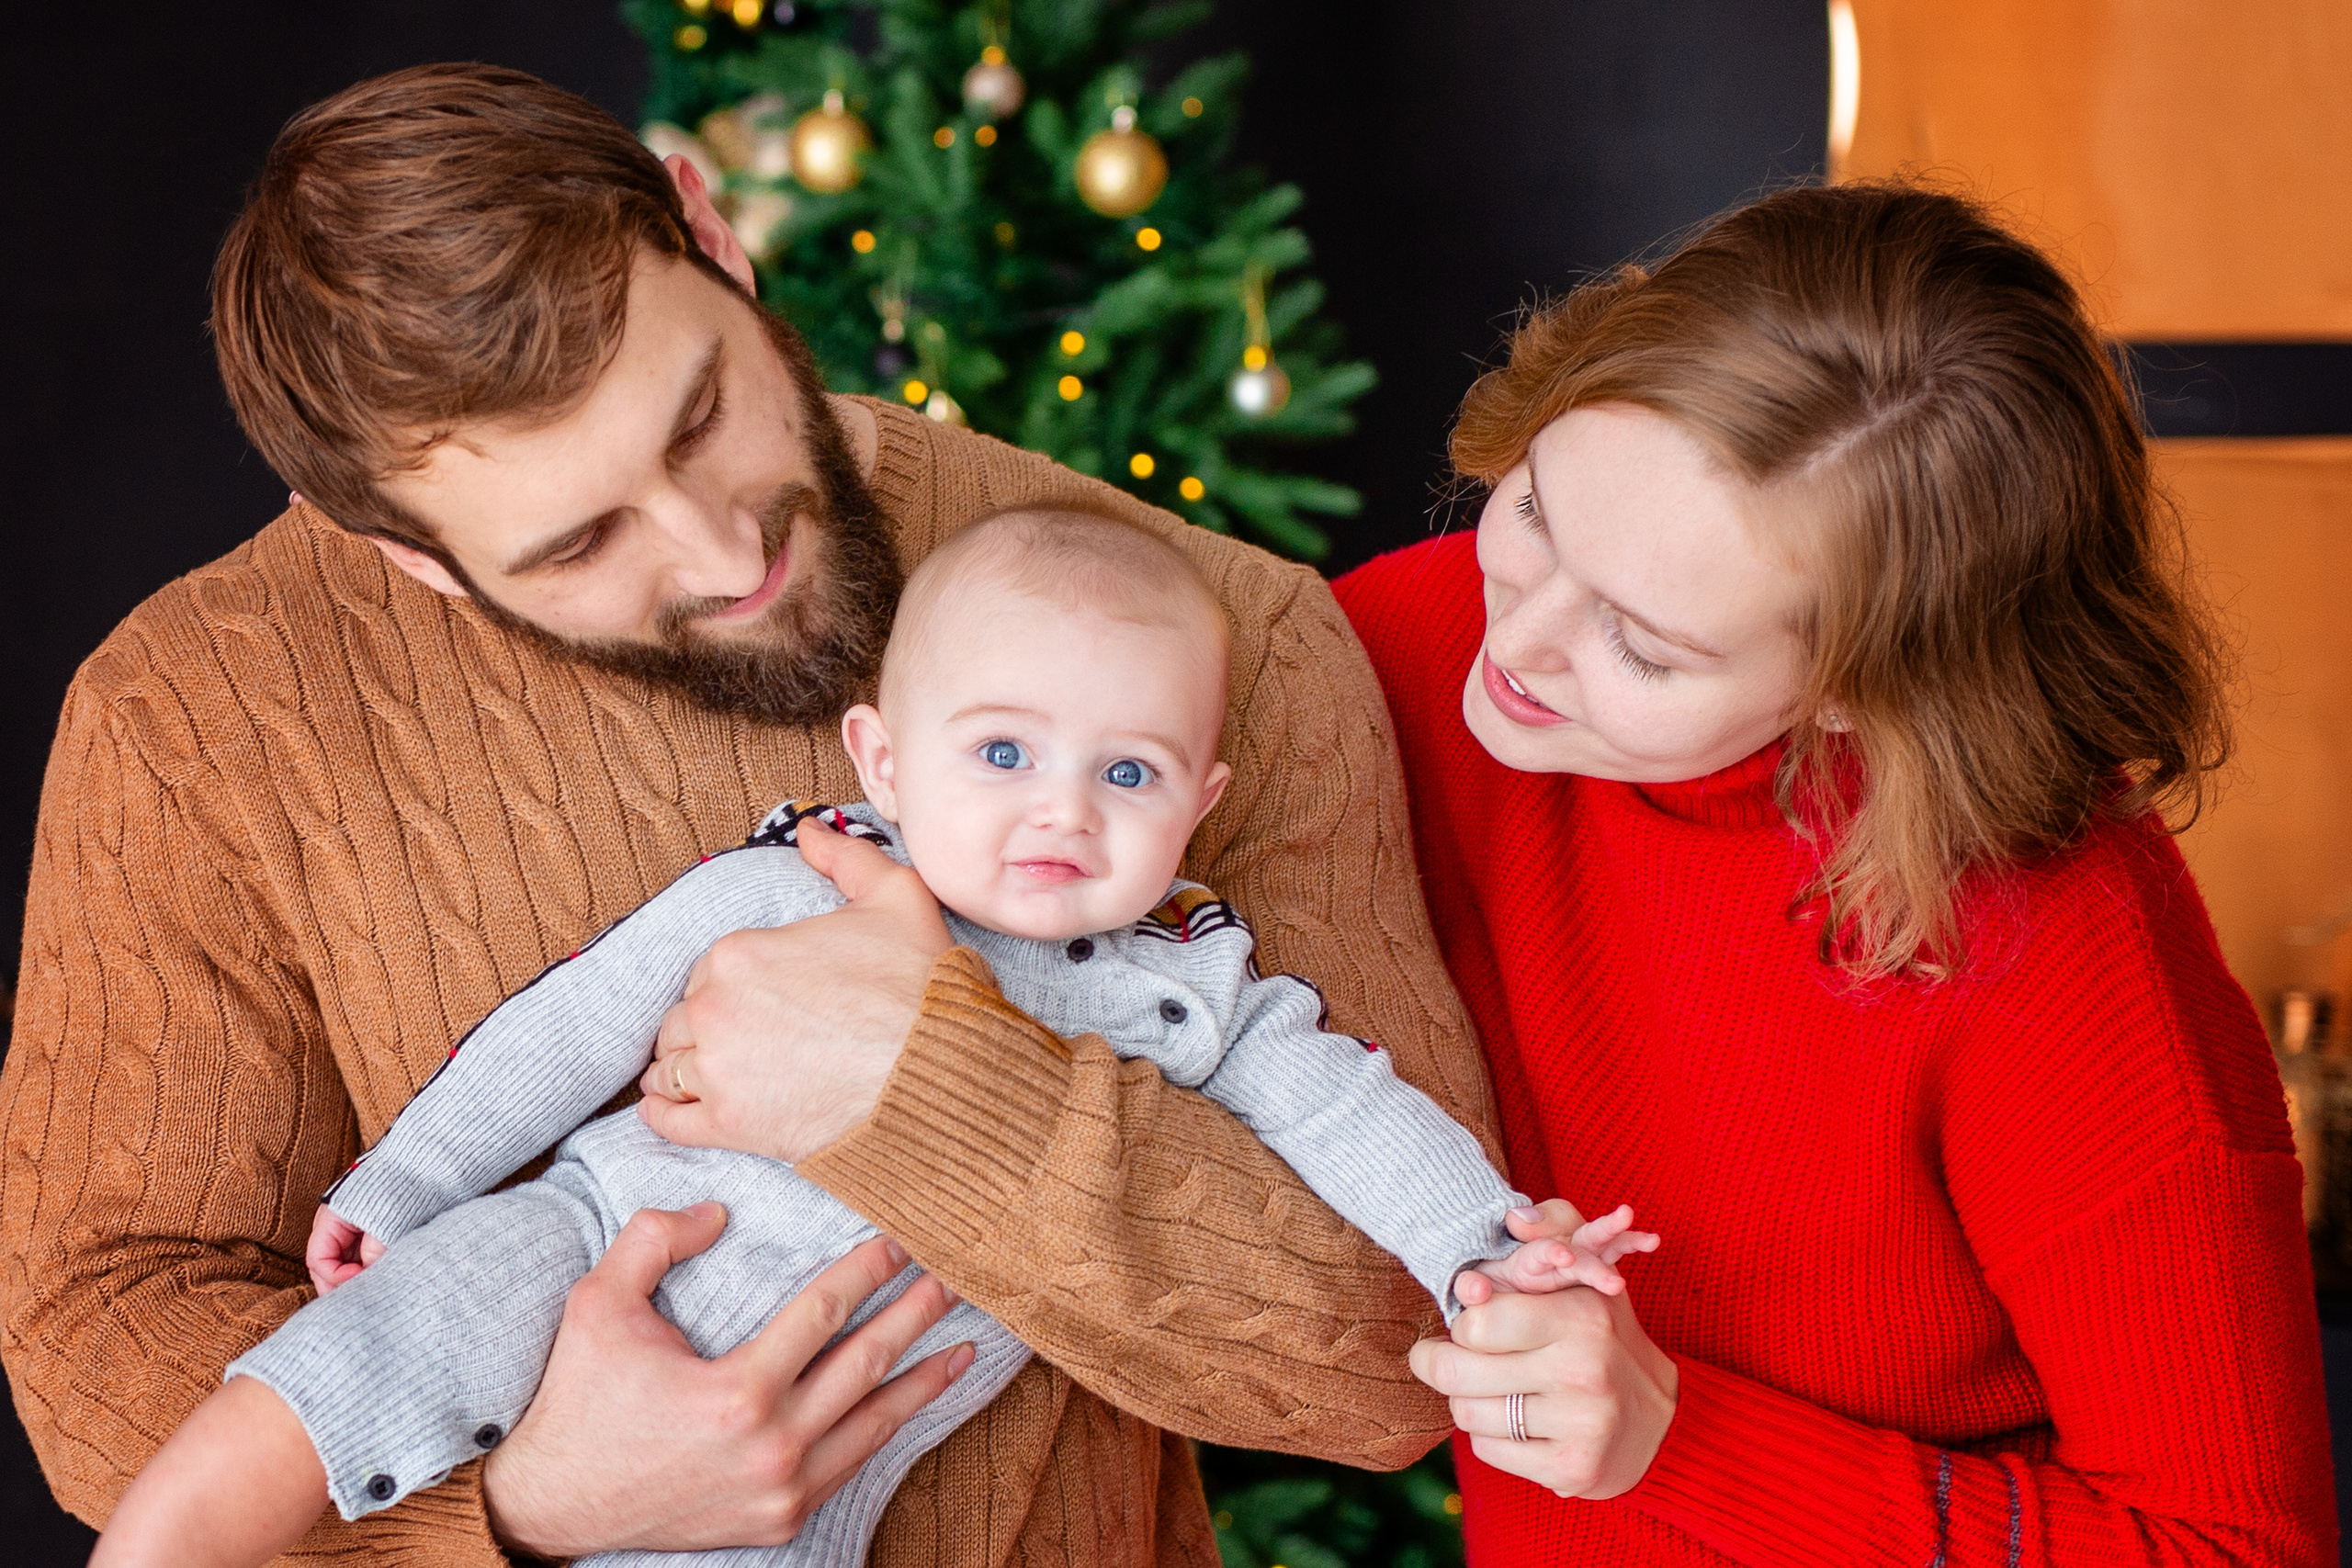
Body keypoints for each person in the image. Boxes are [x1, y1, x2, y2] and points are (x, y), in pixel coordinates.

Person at [0, 64, 1501, 1566]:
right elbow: (97, 1337)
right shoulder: (196, 715)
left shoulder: (1213, 643)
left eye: (703, 412)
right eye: (582, 538)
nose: (724, 554)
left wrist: (931, 1081)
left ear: (711, 233)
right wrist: (520, 1507)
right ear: (411, 561)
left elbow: (1385, 1367)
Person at [92, 508, 1654, 1568]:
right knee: (344, 1371)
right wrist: (408, 1185)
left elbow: (1350, 1113)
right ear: (885, 761)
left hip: (837, 1462)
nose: (1061, 808)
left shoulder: (1188, 985)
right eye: (1002, 752)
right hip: (580, 1244)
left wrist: (1482, 1250)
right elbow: (571, 1026)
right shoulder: (796, 880)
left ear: (1201, 807)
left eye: (1131, 775)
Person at [1337, 181, 2339, 1565]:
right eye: (1537, 512)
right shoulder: (1408, 640)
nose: (1521, 640)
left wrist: (1680, 1438)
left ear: (1871, 689)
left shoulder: (2067, 957)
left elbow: (2232, 1551)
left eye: (1645, 646)